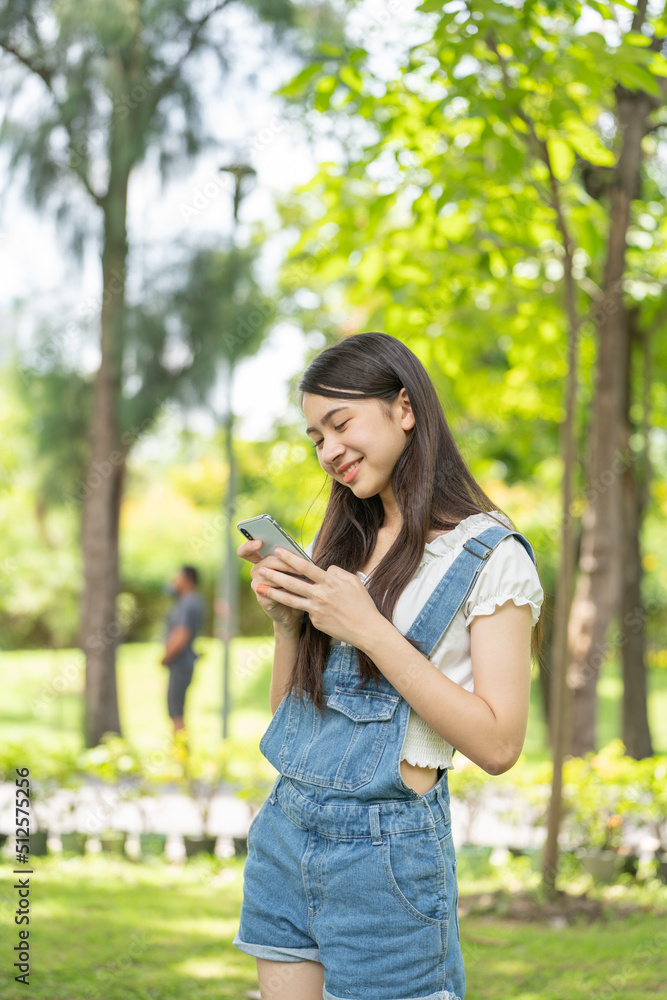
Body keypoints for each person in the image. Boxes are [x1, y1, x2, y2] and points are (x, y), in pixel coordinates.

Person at [234, 332, 544, 1000]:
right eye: (315, 437)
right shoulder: (337, 542)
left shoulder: (491, 558)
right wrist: (289, 624)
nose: (329, 451)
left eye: (340, 424)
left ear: (403, 408)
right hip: (286, 831)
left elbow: (498, 743)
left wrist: (370, 630)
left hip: (388, 858)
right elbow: (293, 730)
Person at [161, 565, 205, 734]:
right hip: (182, 663)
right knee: (176, 709)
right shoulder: (190, 601)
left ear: (187, 579)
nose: (173, 582)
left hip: (181, 663)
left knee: (176, 711)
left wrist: (165, 657)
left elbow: (181, 634)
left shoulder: (188, 603)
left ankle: (181, 754)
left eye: (177, 577)